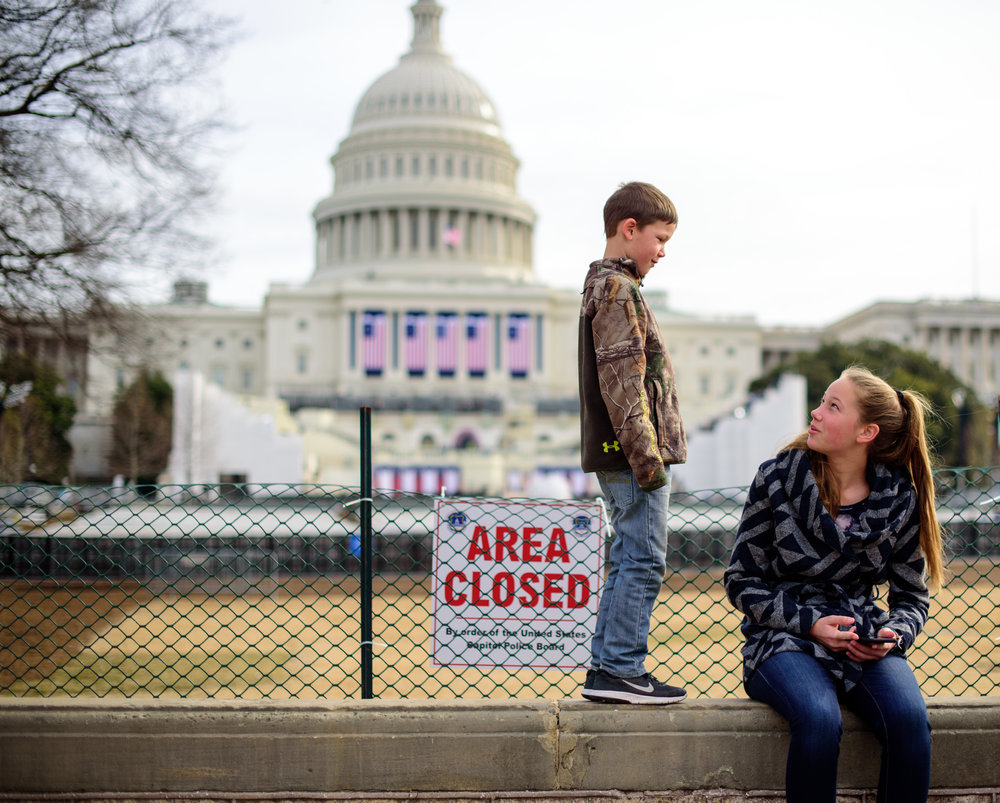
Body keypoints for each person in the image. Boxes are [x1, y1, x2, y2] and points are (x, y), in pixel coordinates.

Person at [724, 366, 943, 803]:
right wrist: (810, 623)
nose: (816, 412)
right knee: (819, 717)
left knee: (909, 721)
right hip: (782, 639)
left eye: (832, 406)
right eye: (822, 401)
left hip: (861, 639)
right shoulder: (777, 479)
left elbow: (911, 596)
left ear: (867, 432)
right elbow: (741, 580)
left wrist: (891, 636)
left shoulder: (899, 499)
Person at [578, 181, 688, 704]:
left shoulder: (603, 286)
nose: (662, 251)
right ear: (629, 230)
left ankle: (608, 668)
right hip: (632, 452)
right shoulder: (620, 291)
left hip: (617, 450)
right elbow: (624, 382)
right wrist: (649, 461)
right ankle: (621, 667)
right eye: (659, 238)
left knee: (627, 556)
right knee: (643, 557)